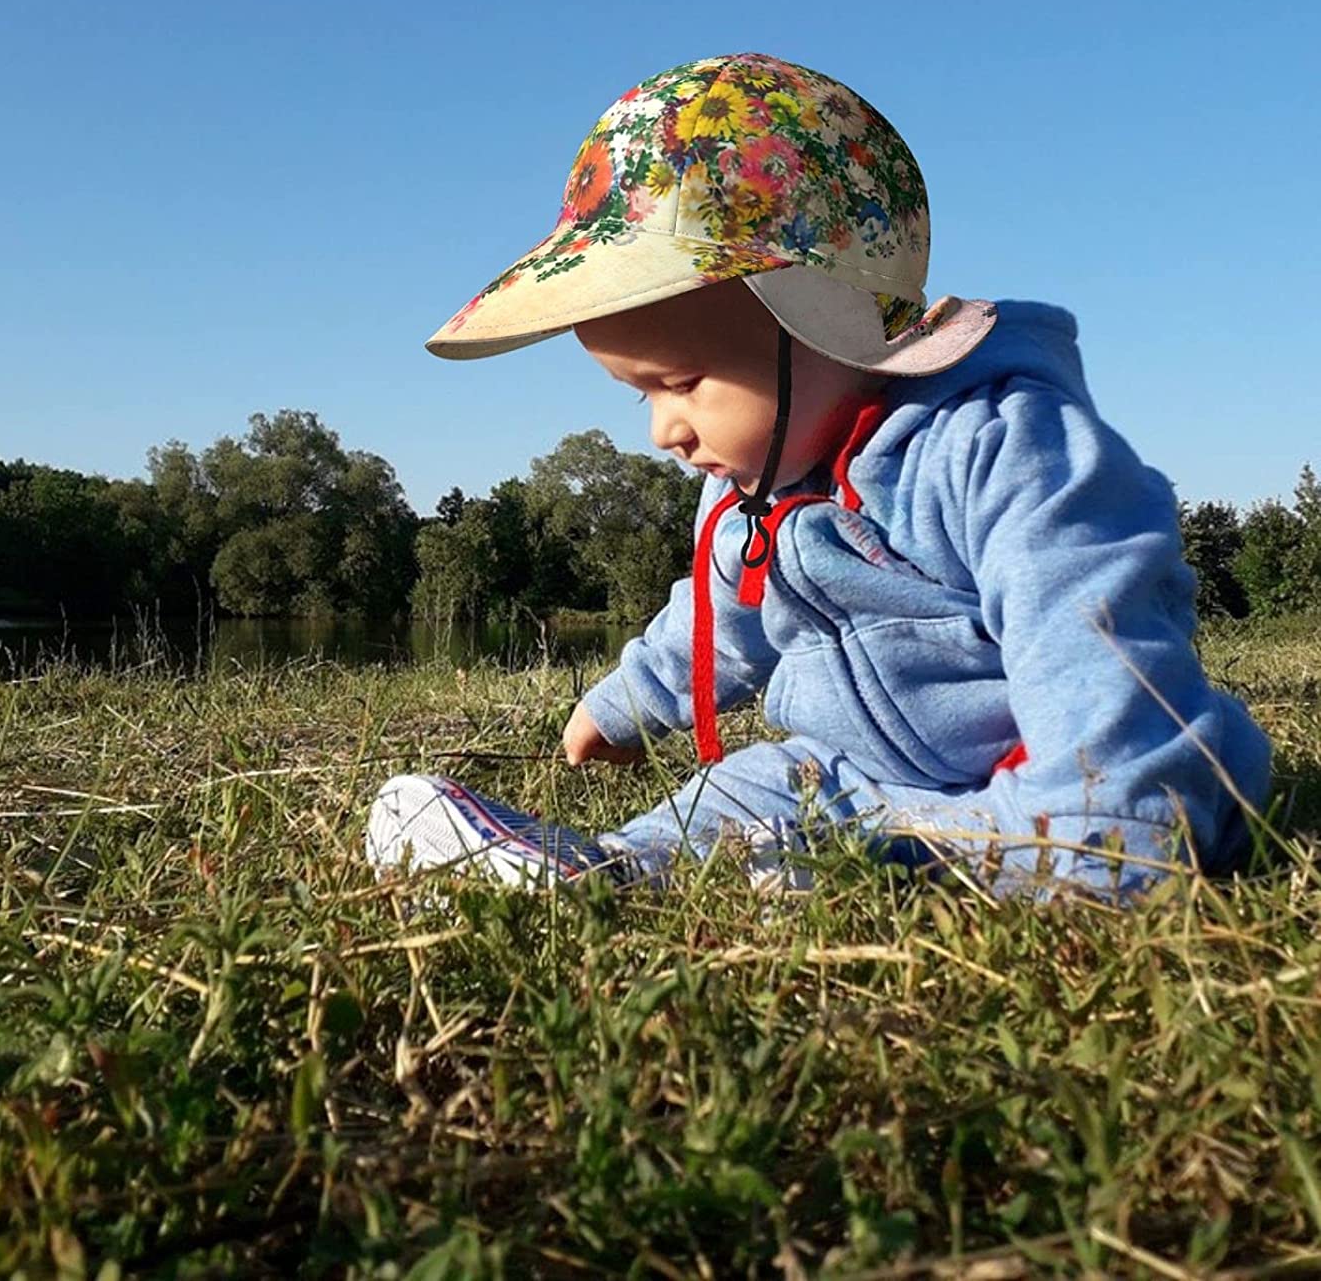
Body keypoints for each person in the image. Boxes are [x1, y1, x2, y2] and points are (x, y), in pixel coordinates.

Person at [366, 52, 1272, 901]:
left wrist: (1107, 807)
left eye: (680, 384)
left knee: (1072, 829)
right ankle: (605, 868)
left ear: (824, 317)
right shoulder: (750, 492)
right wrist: (629, 702)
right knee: (760, 785)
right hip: (866, 783)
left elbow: (1086, 621)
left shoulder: (992, 444)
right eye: (637, 397)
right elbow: (717, 619)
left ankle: (1056, 854)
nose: (662, 431)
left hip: (1053, 778)